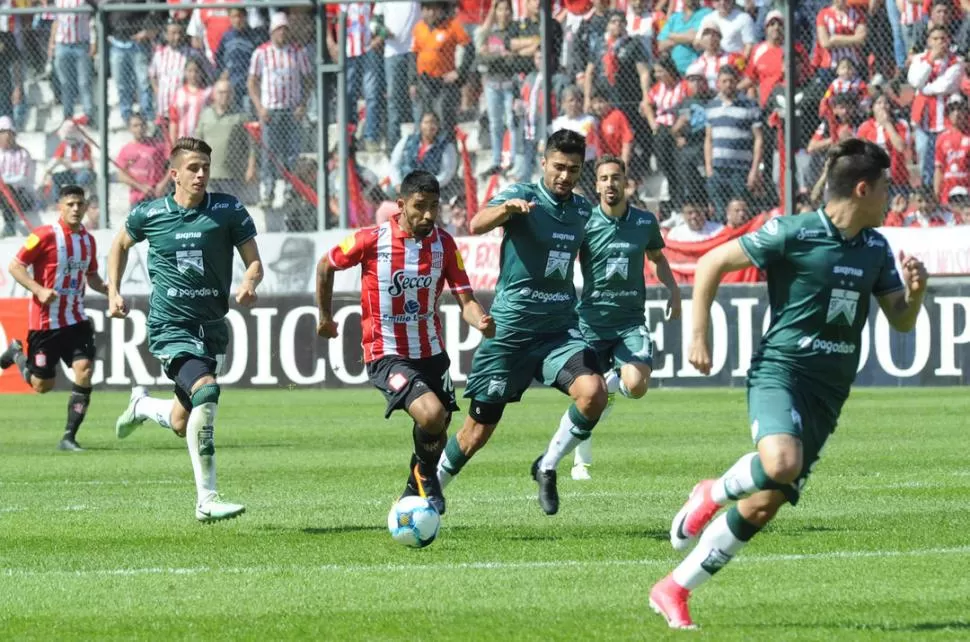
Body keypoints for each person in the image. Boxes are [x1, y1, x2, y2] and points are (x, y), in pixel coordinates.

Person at [648, 139, 928, 629]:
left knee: (762, 506)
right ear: (862, 189)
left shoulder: (876, 249)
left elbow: (901, 321)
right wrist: (698, 336)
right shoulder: (794, 232)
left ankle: (674, 588)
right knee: (781, 462)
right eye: (886, 189)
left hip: (829, 394)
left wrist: (916, 295)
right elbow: (713, 263)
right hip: (782, 371)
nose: (891, 199)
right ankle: (712, 493)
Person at [434, 129, 609, 516]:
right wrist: (506, 211)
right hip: (510, 331)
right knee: (477, 431)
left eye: (574, 169)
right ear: (543, 162)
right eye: (559, 167)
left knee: (594, 393)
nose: (565, 176)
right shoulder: (523, 196)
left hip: (559, 330)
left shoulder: (582, 210)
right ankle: (432, 486)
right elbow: (477, 223)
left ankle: (546, 464)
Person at [316, 170, 495, 515]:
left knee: (438, 430)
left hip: (432, 354)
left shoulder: (445, 244)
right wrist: (325, 317)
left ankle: (411, 493)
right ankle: (427, 476)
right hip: (387, 354)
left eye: (434, 207)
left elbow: (466, 300)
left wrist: (481, 321)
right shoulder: (371, 239)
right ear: (400, 205)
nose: (428, 214)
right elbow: (326, 265)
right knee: (431, 415)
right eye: (419, 206)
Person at [108, 137, 264, 523]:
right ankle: (206, 499)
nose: (201, 174)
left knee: (183, 421)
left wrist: (249, 282)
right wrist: (113, 291)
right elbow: (119, 245)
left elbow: (254, 262)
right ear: (174, 174)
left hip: (211, 328)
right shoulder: (151, 214)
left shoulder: (227, 210)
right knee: (206, 390)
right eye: (193, 168)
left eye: (205, 167)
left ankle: (141, 406)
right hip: (169, 325)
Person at [570, 155, 681, 481]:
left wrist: (673, 288)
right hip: (590, 322)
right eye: (603, 178)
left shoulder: (645, 222)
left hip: (630, 322)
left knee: (636, 385)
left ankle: (612, 388)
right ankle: (581, 463)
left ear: (625, 182)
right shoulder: (584, 222)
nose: (609, 184)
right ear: (596, 184)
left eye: (615, 177)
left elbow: (657, 258)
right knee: (586, 396)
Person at [0, 186, 108, 451]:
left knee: (84, 371)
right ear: (60, 206)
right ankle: (16, 353)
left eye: (79, 204)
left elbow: (91, 275)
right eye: (70, 204)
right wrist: (38, 289)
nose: (75, 209)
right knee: (42, 385)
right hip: (45, 323)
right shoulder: (44, 236)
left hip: (76, 320)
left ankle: (69, 436)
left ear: (85, 207)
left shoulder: (88, 240)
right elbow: (15, 265)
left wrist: (109, 290)